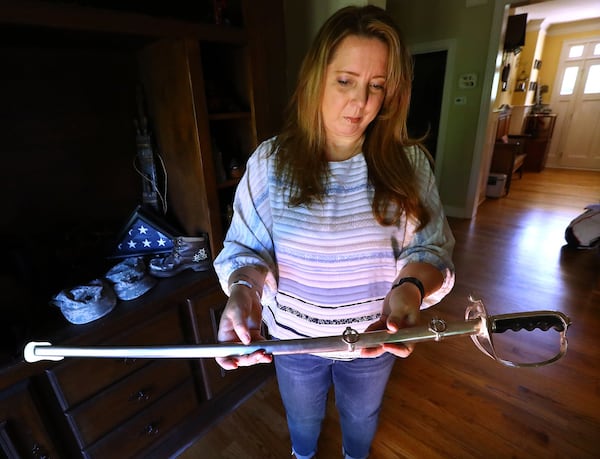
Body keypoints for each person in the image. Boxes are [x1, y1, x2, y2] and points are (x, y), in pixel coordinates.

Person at [213, 5, 455, 459]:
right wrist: (243, 292)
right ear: (316, 78)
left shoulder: (409, 165)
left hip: (372, 340)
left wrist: (409, 290)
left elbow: (430, 250)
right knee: (302, 418)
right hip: (292, 341)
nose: (360, 102)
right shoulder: (269, 162)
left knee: (361, 417)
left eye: (376, 86)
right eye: (346, 81)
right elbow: (246, 247)